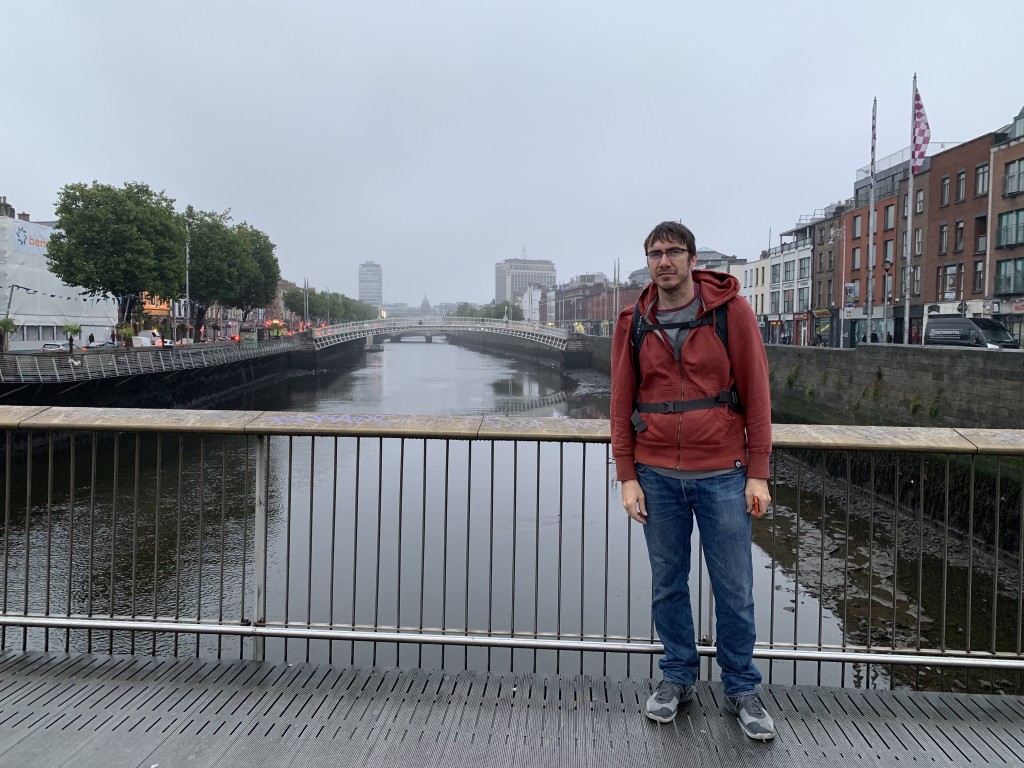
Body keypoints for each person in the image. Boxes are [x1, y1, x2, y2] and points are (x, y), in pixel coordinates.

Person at [610, 221, 775, 741]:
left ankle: (742, 687)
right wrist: (627, 476)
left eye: (673, 252)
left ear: (691, 258)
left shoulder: (731, 313)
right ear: (648, 262)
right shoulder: (633, 321)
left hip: (723, 475)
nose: (664, 261)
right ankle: (677, 677)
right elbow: (620, 404)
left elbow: (757, 394)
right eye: (655, 253)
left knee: (735, 588)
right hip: (656, 476)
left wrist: (759, 473)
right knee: (667, 585)